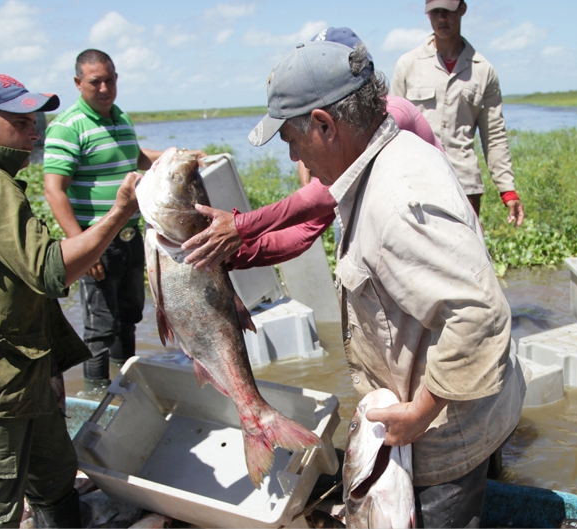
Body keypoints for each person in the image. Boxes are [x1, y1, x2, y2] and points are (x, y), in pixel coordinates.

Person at [244, 40, 526, 527]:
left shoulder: (397, 201)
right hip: (453, 412)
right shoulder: (389, 154)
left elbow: (477, 314)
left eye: (290, 137)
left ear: (325, 125)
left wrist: (420, 411)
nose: (291, 152)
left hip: (445, 428)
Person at [0, 73, 141, 527]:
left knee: (56, 489)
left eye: (34, 120)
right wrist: (119, 213)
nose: (35, 131)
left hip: (22, 375)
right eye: (20, 121)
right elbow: (51, 269)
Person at [182, 27, 447, 272]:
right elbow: (302, 233)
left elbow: (321, 196)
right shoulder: (343, 155)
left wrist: (243, 225)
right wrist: (230, 252)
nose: (294, 156)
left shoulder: (390, 117)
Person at [43, 49, 204, 396]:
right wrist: (80, 245)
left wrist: (181, 157)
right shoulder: (68, 126)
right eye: (95, 82)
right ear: (78, 83)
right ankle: (97, 396)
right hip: (96, 239)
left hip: (132, 238)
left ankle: (123, 389)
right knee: (100, 329)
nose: (104, 88)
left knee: (129, 317)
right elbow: (54, 190)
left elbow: (136, 157)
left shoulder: (119, 117)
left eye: (110, 79)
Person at [392, 0, 526, 226]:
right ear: (427, 15)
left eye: (448, 12)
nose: (441, 18)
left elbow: (493, 135)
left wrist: (507, 189)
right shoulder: (408, 65)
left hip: (464, 184)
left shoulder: (483, 70)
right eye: (435, 12)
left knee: (465, 256)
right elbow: (390, 129)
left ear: (462, 9)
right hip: (415, 181)